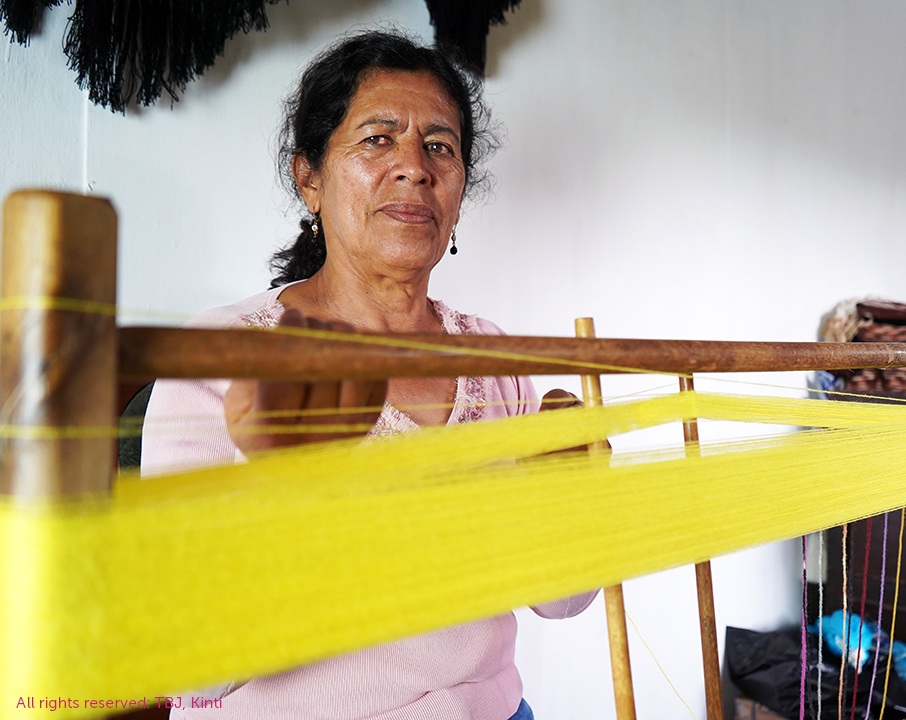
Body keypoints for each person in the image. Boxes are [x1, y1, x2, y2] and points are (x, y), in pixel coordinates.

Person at [141, 30, 597, 720]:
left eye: (439, 146)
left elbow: (558, 599)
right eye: (378, 140)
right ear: (310, 179)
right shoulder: (220, 356)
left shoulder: (493, 359)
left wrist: (575, 500)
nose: (414, 167)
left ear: (459, 191)